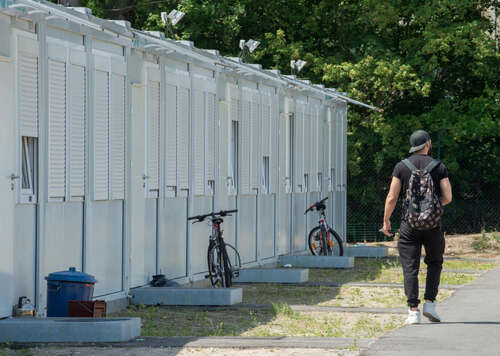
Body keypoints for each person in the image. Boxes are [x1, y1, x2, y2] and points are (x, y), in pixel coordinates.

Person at [381, 130, 453, 325]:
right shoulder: (438, 167)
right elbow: (448, 197)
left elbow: (392, 197)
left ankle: (413, 311)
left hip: (408, 225)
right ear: (428, 144)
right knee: (435, 262)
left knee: (410, 267)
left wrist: (386, 220)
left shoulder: (401, 167)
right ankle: (430, 303)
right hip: (433, 225)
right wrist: (431, 209)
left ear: (413, 146)